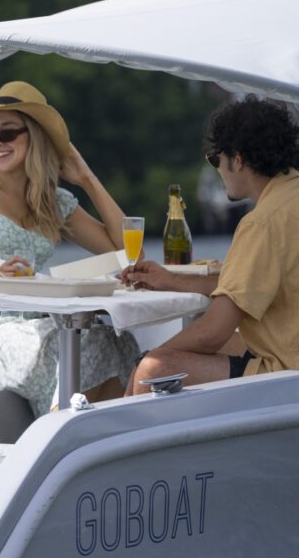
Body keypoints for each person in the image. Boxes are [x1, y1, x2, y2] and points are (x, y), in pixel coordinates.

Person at [0, 81, 140, 428]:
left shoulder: (55, 202)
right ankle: (53, 445)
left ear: (35, 136)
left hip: (29, 324)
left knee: (116, 341)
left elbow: (123, 254)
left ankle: (89, 442)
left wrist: (88, 178)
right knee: (78, 346)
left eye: (8, 133)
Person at [123, 96, 299, 394]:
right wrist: (172, 280)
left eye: (215, 159)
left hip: (287, 375)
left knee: (152, 370)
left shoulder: (262, 223)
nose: (217, 169)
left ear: (238, 159)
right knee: (234, 339)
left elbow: (212, 334)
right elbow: (249, 285)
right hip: (289, 345)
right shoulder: (290, 198)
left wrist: (146, 359)